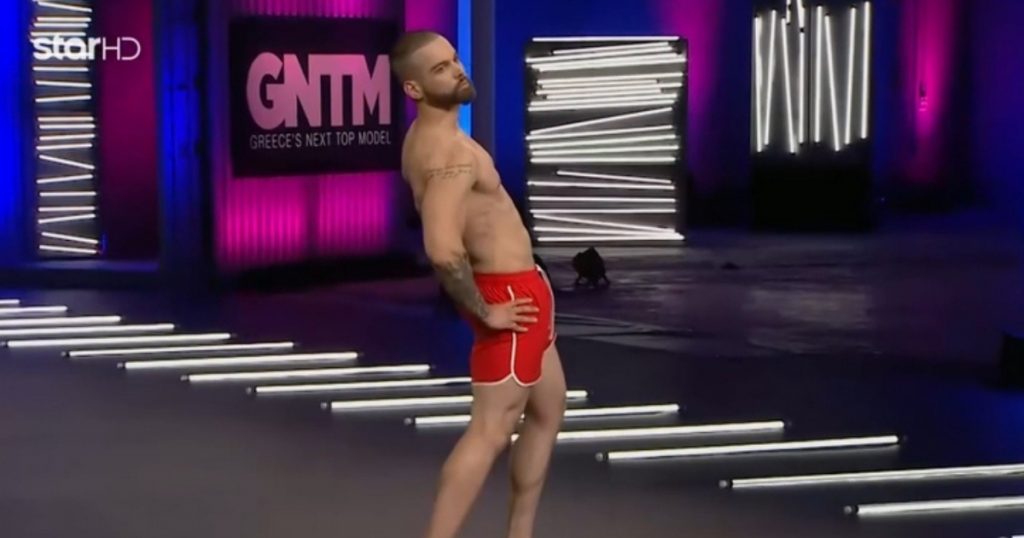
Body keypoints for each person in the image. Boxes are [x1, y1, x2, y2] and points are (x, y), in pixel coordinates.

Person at [390, 31, 567, 538]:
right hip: (510, 297)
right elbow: (443, 248)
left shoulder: (426, 137)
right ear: (414, 89)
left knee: (547, 407)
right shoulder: (451, 156)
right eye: (440, 69)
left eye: (454, 60)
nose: (457, 70)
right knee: (491, 430)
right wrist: (486, 311)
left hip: (524, 291)